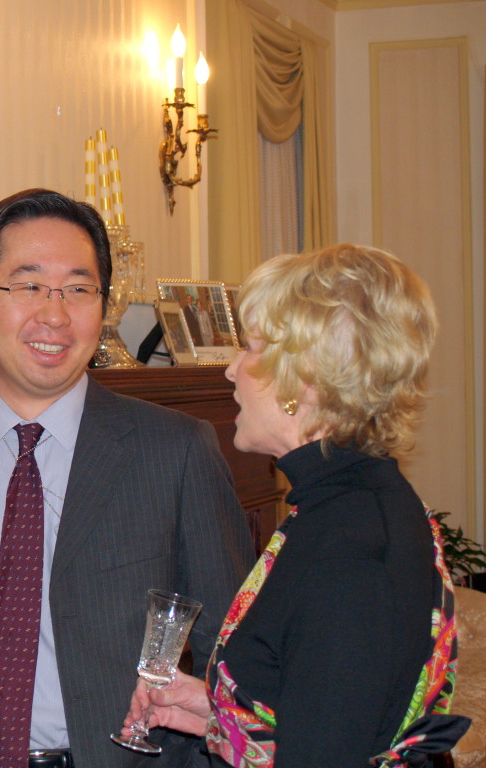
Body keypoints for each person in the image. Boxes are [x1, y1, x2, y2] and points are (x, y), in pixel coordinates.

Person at [0, 188, 255, 768]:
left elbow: (230, 653)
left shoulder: (175, 450)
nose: (56, 314)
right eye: (28, 285)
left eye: (80, 289)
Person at [122, 244, 469, 767]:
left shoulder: (351, 546)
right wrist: (221, 716)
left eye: (252, 348)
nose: (233, 370)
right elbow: (331, 715)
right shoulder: (346, 507)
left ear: (302, 377)